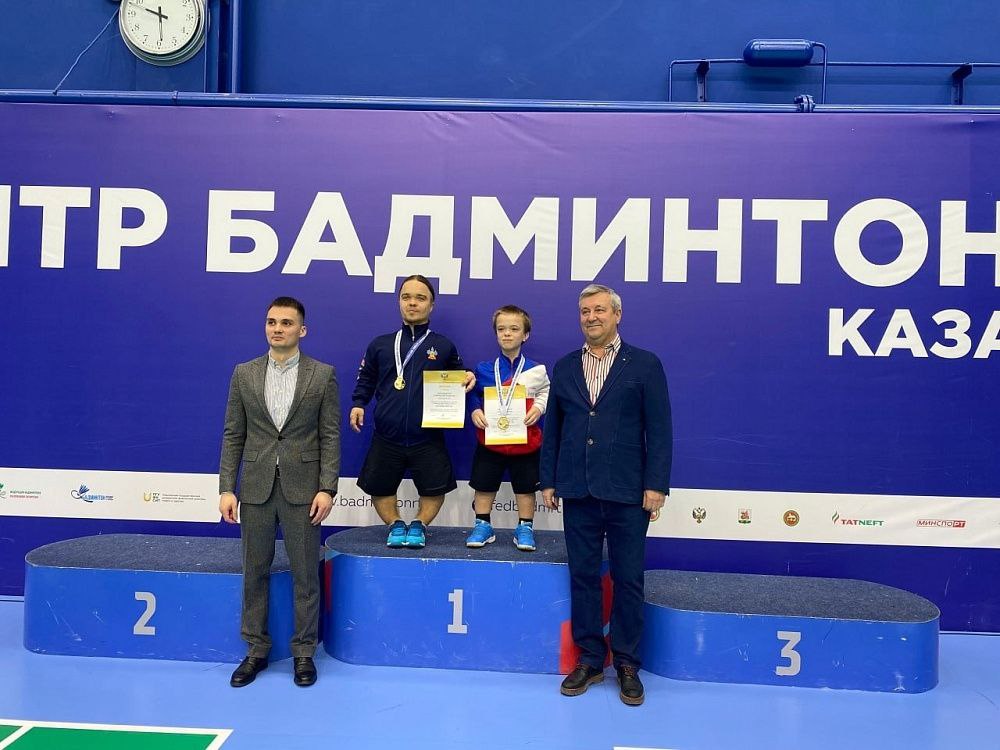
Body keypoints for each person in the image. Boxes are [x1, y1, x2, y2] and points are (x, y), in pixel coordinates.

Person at [540, 283, 671, 707]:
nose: (591, 317)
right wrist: (548, 480)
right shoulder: (564, 367)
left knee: (628, 579)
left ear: (617, 314)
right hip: (577, 489)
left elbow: (660, 430)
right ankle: (591, 660)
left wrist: (656, 485)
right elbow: (554, 430)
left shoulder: (645, 364)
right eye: (585, 311)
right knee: (582, 576)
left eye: (599, 310)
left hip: (628, 492)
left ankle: (628, 664)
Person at [218, 296, 340, 688]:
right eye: (272, 321)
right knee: (254, 572)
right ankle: (256, 650)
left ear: (302, 330)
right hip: (254, 487)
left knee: (305, 574)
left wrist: (327, 488)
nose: (277, 328)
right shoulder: (244, 373)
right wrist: (226, 488)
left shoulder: (322, 375)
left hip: (304, 490)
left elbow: (330, 435)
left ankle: (303, 653)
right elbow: (233, 434)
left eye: (286, 323)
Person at [350, 274, 475, 549]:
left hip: (427, 435)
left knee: (434, 487)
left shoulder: (443, 345)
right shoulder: (380, 344)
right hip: (387, 434)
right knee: (380, 486)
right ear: (399, 302)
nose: (412, 303)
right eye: (406, 297)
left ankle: (419, 524)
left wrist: (467, 376)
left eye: (420, 298)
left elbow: (459, 375)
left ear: (431, 305)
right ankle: (395, 524)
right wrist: (359, 403)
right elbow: (366, 378)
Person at [466, 305, 550, 551]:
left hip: (525, 441)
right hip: (490, 439)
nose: (507, 333)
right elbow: (473, 394)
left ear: (525, 335)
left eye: (514, 329)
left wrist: (539, 408)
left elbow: (546, 391)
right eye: (501, 329)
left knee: (525, 488)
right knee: (484, 485)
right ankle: (483, 525)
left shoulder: (536, 369)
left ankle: (525, 528)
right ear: (496, 334)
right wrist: (475, 410)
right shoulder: (483, 369)